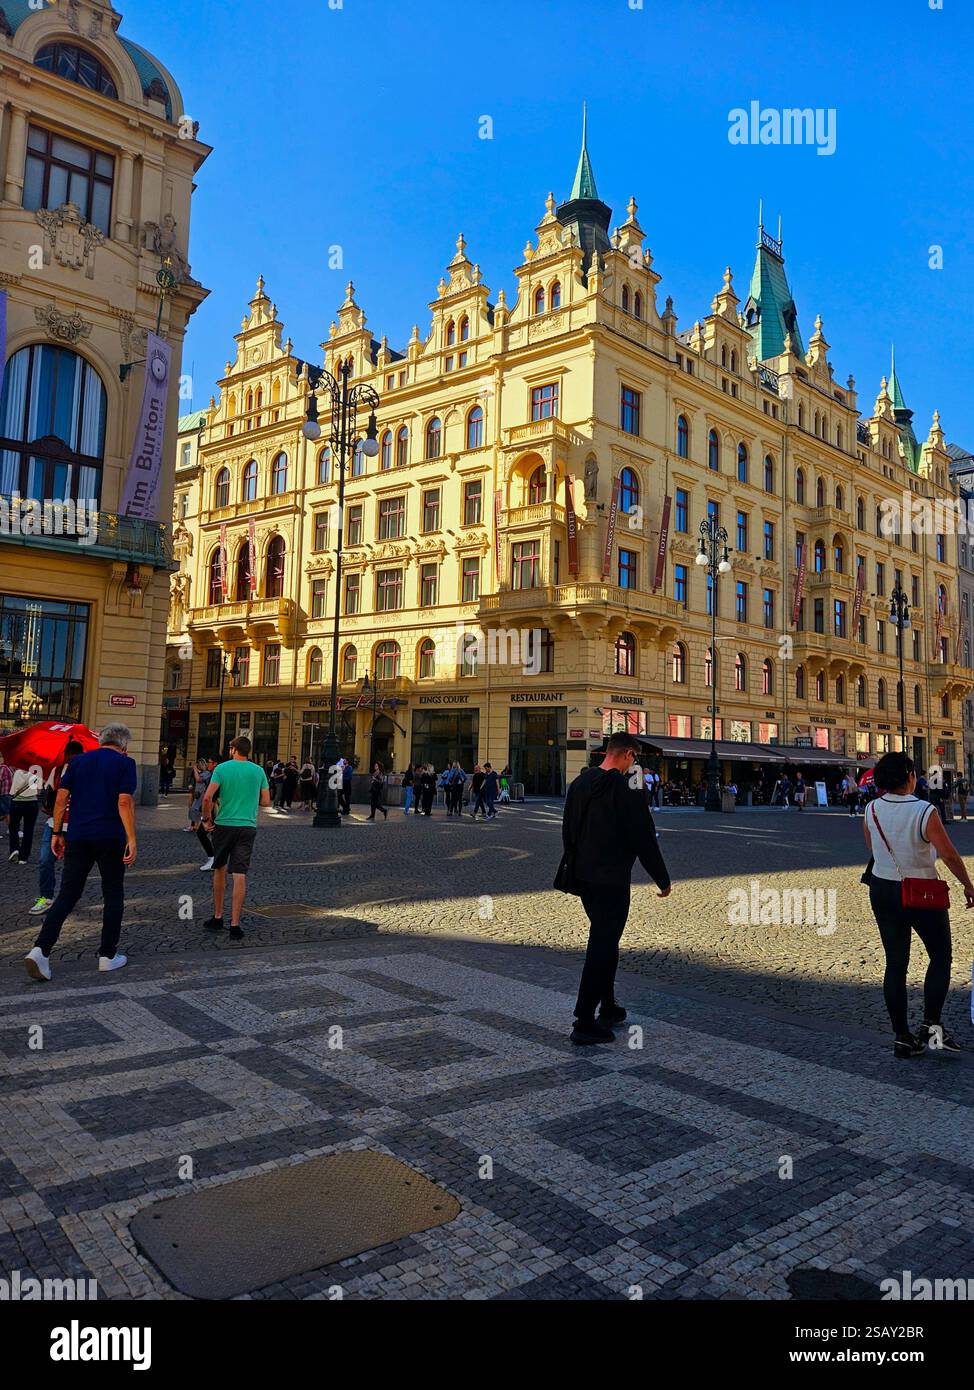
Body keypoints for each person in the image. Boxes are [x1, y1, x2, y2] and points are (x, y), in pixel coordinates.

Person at [561, 732, 672, 1045]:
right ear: (626, 754)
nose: (632, 764)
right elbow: (643, 839)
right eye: (633, 758)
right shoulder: (626, 791)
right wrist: (662, 879)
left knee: (604, 938)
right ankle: (584, 1020)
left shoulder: (579, 784)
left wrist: (575, 861)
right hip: (611, 879)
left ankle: (607, 1006)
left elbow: (567, 829)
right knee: (603, 944)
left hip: (583, 876)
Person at [863, 751, 972, 1059]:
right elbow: (948, 855)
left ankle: (902, 1037)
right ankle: (931, 1026)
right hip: (921, 891)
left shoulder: (871, 809)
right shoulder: (924, 810)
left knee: (895, 963)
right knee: (940, 955)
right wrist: (968, 884)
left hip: (882, 889)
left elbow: (873, 848)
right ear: (910, 776)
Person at [24, 725, 137, 982]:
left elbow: (61, 798)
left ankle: (41, 949)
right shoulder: (125, 763)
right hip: (110, 837)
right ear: (123, 745)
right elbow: (124, 802)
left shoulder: (78, 762)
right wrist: (132, 838)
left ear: (101, 741)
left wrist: (56, 833)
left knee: (67, 894)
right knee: (113, 893)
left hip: (78, 835)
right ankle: (108, 955)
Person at [201, 735, 270, 940]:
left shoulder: (221, 769)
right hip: (247, 826)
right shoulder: (258, 771)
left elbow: (207, 797)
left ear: (233, 749)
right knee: (239, 874)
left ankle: (218, 917)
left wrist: (206, 819)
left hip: (224, 825)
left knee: (219, 869)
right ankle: (235, 924)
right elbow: (266, 801)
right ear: (248, 751)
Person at [31, 739, 85, 915]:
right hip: (54, 823)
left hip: (76, 826)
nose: (71, 759)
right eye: (70, 756)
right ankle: (46, 897)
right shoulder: (58, 770)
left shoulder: (87, 772)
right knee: (45, 861)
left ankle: (65, 899)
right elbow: (51, 796)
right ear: (66, 755)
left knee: (72, 867)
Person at [8, 762, 43, 864]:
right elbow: (39, 791)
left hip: (16, 802)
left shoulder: (16, 769)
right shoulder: (37, 769)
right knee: (28, 830)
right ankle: (23, 857)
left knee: (13, 827)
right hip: (31, 803)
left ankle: (14, 849)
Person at [189, 759, 215, 870]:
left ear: (214, 763)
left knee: (202, 833)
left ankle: (213, 858)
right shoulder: (214, 774)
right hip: (213, 809)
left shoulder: (212, 775)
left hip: (213, 810)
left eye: (210, 762)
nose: (208, 764)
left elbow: (209, 798)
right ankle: (215, 858)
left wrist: (205, 818)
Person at [0, 750, 11, 832]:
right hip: (5, 794)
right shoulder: (4, 768)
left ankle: (11, 829)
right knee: (8, 812)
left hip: (4, 793)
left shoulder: (3, 768)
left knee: (5, 813)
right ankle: (11, 829)